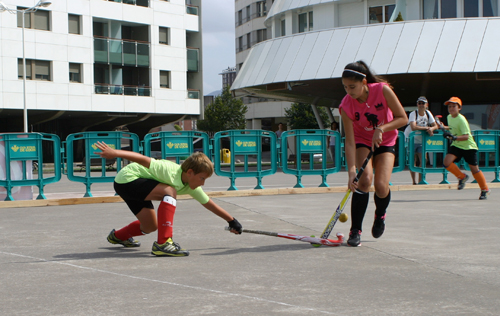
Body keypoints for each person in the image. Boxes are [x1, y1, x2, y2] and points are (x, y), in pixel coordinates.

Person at [94, 141, 242, 257]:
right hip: (128, 179)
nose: (203, 183)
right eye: (202, 178)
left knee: (150, 226)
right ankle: (163, 243)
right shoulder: (169, 169)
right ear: (190, 172)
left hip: (138, 187)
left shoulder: (192, 186)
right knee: (169, 191)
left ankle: (118, 236)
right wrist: (115, 153)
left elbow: (209, 204)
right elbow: (143, 159)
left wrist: (232, 221)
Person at [339, 61, 408, 247]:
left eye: (352, 86)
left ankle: (380, 215)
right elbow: (350, 141)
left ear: (364, 82)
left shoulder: (382, 90)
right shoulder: (346, 105)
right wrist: (352, 171)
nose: (349, 91)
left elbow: (403, 118)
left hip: (385, 140)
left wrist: (382, 128)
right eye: (345, 87)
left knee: (381, 186)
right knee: (364, 180)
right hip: (363, 141)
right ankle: (355, 230)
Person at [440, 97, 490, 200]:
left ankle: (484, 189)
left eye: (454, 106)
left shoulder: (461, 119)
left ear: (459, 108)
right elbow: (452, 128)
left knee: (474, 170)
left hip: (468, 147)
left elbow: (466, 136)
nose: (451, 108)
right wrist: (444, 128)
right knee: (446, 162)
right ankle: (462, 177)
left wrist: (453, 137)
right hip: (457, 145)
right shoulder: (449, 117)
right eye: (449, 106)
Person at [403, 96, 438, 184]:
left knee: (423, 160)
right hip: (410, 139)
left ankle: (421, 180)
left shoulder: (428, 113)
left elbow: (435, 125)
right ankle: (414, 181)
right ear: (417, 104)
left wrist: (431, 129)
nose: (421, 105)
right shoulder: (413, 114)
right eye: (420, 103)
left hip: (421, 140)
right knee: (412, 160)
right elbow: (413, 127)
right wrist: (427, 128)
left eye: (423, 103)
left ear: (427, 105)